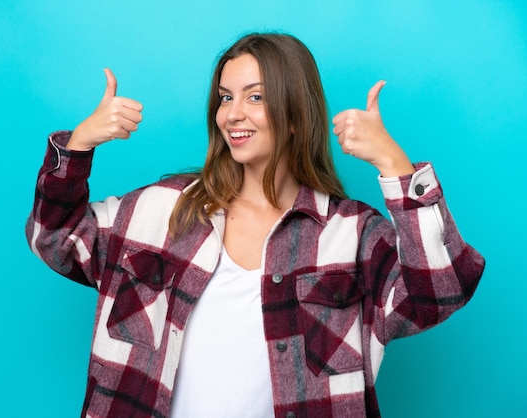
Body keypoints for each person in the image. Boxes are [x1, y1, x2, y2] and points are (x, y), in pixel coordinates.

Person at [26, 32, 484, 418]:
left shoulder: (351, 235)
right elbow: (55, 238)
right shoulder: (162, 210)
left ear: (294, 114)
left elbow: (439, 292)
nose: (233, 114)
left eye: (256, 96)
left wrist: (395, 165)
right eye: (226, 97)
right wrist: (79, 145)